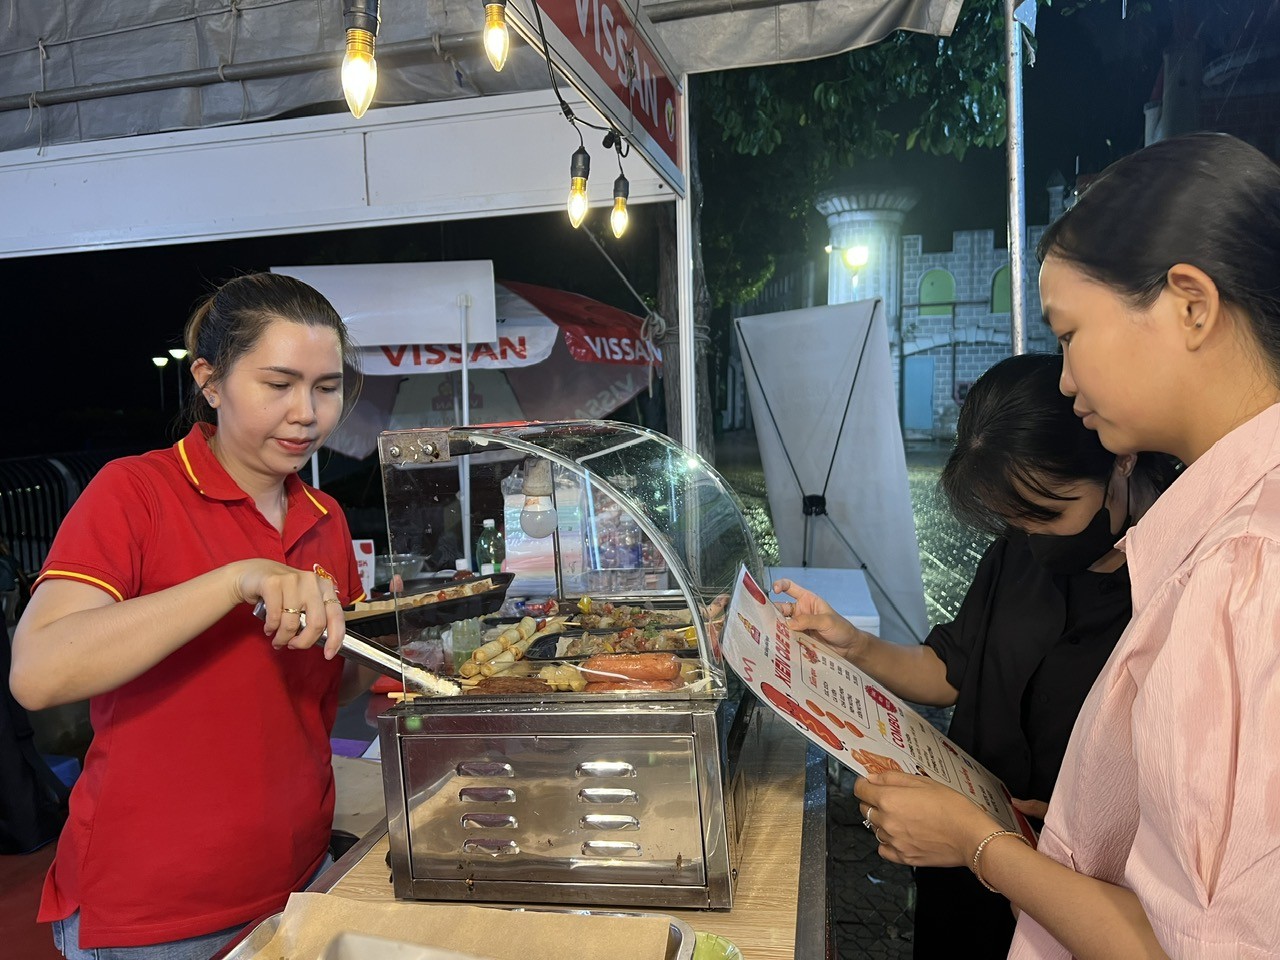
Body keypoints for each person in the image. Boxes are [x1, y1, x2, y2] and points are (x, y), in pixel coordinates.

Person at [849, 133, 1280, 959]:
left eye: (1071, 334)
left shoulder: (1248, 568)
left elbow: (1184, 946)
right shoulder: (1216, 539)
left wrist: (983, 846)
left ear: (1191, 304)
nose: (1068, 379)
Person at [8, 272, 372, 960]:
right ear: (209, 380)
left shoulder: (325, 518)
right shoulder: (137, 492)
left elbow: (327, 686)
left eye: (327, 388)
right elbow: (39, 672)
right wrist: (236, 580)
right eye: (278, 384)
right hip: (157, 906)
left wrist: (382, 650)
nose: (307, 413)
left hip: (298, 876)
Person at [774, 352, 1177, 959]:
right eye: (1013, 517)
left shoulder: (1177, 592)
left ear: (1118, 453)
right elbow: (951, 669)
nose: (1032, 534)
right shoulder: (1020, 551)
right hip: (957, 868)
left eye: (1049, 511)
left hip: (1078, 901)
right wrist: (853, 644)